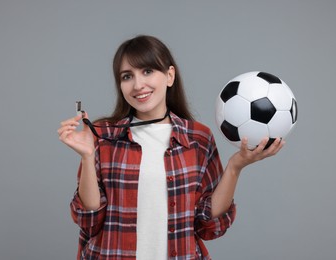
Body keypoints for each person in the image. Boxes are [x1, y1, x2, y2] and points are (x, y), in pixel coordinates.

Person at [57, 35, 284, 259]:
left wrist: (235, 167)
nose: (138, 85)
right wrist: (87, 156)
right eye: (127, 76)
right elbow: (88, 220)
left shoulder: (198, 138)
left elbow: (207, 224)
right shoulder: (103, 135)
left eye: (147, 71)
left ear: (169, 75)